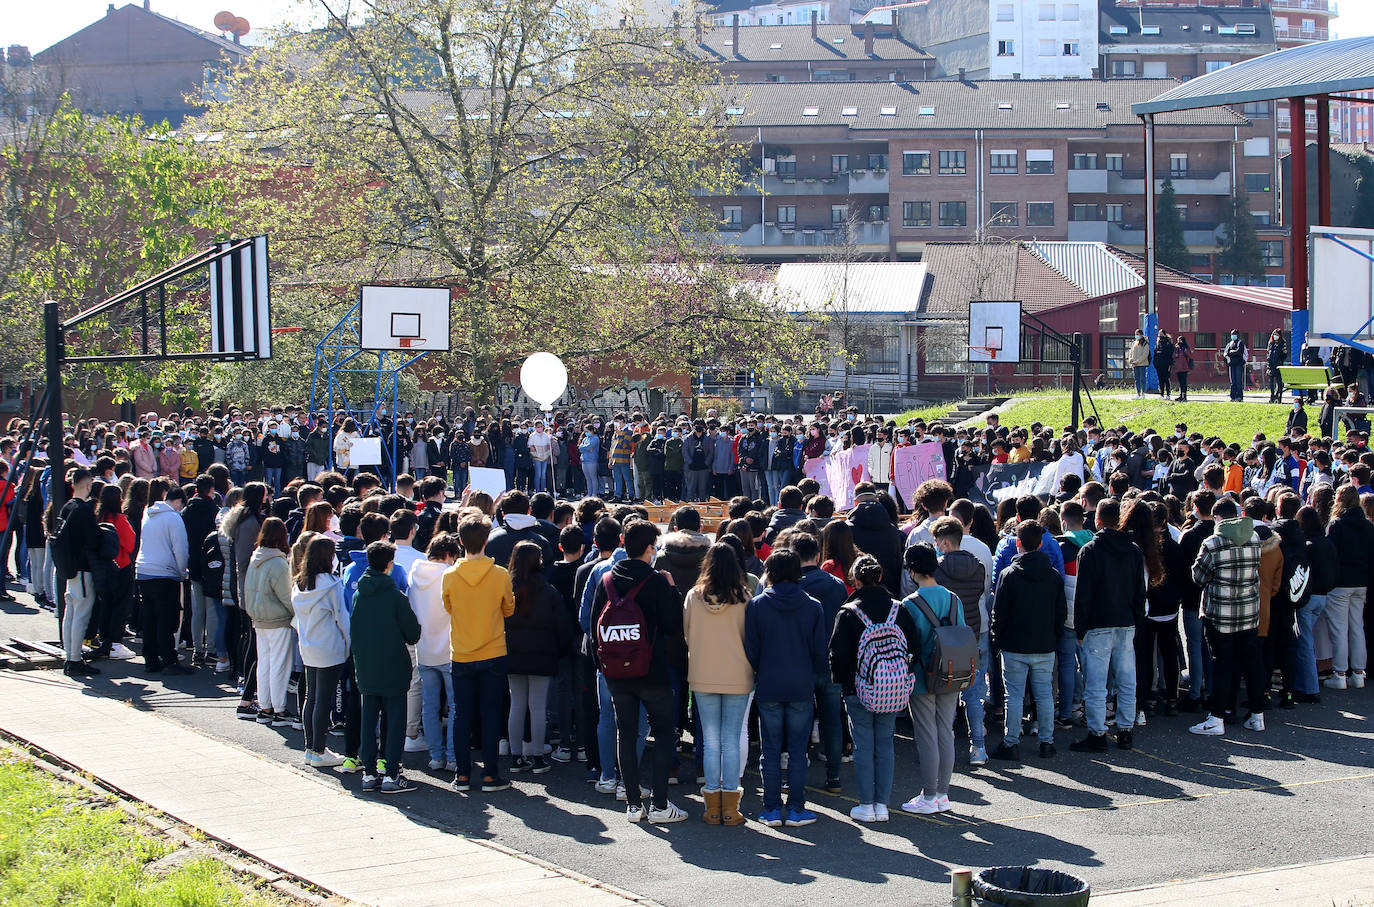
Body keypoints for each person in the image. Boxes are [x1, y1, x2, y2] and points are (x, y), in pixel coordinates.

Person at [588, 520, 688, 824]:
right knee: (662, 734)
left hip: (616, 670)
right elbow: (673, 627)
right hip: (651, 669)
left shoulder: (607, 579)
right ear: (649, 548)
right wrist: (672, 590)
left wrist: (603, 666)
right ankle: (660, 804)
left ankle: (633, 804)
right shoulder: (657, 581)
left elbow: (594, 629)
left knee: (626, 733)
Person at [829, 554, 917, 823]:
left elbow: (838, 655)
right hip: (894, 686)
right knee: (885, 744)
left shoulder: (849, 612)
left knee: (863, 746)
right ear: (880, 577)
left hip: (860, 688)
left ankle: (866, 804)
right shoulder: (898, 609)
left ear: (855, 579)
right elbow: (913, 646)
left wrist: (843, 684)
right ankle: (883, 804)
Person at [745, 549, 826, 828]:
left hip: (768, 682)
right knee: (797, 750)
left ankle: (770, 808)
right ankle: (795, 807)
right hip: (801, 683)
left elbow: (751, 649)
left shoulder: (756, 605)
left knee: (769, 749)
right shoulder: (813, 606)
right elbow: (819, 652)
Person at [444, 513, 516, 793]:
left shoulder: (450, 575)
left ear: (460, 541)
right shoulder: (499, 574)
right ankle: (490, 774)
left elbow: (448, 606)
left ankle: (462, 774)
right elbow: (509, 608)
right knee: (490, 713)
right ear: (487, 540)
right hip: (493, 650)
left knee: (461, 714)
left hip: (461, 651)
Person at [684, 542, 754, 826]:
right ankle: (730, 806)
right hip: (738, 673)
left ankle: (711, 805)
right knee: (730, 739)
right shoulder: (745, 597)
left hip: (703, 671)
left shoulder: (693, 596)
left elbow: (687, 633)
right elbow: (750, 637)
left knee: (711, 741)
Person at [1189, 498, 1269, 736]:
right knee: (1252, 663)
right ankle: (1257, 715)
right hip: (1248, 611)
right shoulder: (1254, 538)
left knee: (1222, 664)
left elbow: (1198, 577)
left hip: (1220, 614)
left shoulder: (1212, 544)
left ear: (1217, 519)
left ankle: (1217, 717)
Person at [1071, 499, 1145, 752]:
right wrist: (1137, 621)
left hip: (1098, 622)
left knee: (1096, 682)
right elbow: (1139, 591)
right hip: (1125, 621)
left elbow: (1084, 594)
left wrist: (1080, 628)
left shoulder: (1090, 551)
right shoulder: (1134, 550)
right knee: (1126, 679)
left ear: (1097, 519)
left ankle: (1097, 732)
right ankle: (1125, 729)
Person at [988, 521, 1066, 761]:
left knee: (1014, 694)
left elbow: (998, 612)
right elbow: (1060, 612)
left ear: (1018, 543)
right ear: (1041, 543)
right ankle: (1047, 741)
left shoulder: (1008, 575)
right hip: (1044, 643)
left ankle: (1011, 742)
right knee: (1044, 694)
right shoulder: (1053, 576)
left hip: (1014, 644)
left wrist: (997, 638)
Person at [350, 540, 422, 793]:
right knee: (395, 721)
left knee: (368, 720)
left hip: (366, 665)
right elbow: (413, 634)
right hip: (393, 666)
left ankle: (369, 773)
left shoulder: (359, 593)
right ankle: (391, 772)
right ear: (390, 565)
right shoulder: (396, 597)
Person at [900, 542, 964, 815]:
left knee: (926, 734)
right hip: (952, 671)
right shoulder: (953, 598)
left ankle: (929, 793)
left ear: (912, 571)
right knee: (945, 731)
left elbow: (907, 643)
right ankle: (943, 794)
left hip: (923, 674)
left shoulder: (909, 604)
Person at [505, 540, 576, 774]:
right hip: (543, 655)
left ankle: (515, 756)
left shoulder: (506, 589)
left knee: (516, 704)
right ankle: (537, 756)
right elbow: (562, 627)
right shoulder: (548, 592)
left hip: (512, 653)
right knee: (537, 707)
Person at [292, 535, 350, 768]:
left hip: (308, 645)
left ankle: (310, 748)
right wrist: (349, 645)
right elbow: (343, 619)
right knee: (324, 699)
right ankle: (318, 750)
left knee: (312, 697)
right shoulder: (332, 584)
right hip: (330, 647)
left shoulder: (299, 584)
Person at [409, 532, 460, 771]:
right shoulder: (451, 575)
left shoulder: (415, 573)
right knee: (455, 705)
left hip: (423, 648)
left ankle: (436, 756)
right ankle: (452, 757)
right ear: (450, 554)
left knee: (430, 706)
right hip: (450, 648)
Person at [243, 517, 295, 725]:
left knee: (264, 664)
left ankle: (265, 707)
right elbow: (286, 596)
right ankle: (279, 709)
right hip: (278, 619)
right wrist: (297, 616)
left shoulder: (255, 558)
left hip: (258, 618)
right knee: (279, 666)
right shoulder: (279, 563)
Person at [135, 484, 191, 676]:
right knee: (166, 619)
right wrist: (182, 572)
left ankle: (150, 658)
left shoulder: (148, 514)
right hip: (164, 573)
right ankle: (169, 659)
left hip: (143, 570)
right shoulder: (173, 518)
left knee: (149, 618)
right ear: (178, 502)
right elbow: (180, 549)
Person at [1322, 485, 1372, 690]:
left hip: (1341, 582)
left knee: (1339, 629)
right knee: (1357, 626)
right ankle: (1359, 673)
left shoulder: (1337, 524)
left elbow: (1331, 555)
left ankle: (1340, 673)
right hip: (1361, 581)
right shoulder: (1368, 525)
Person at [55, 467, 103, 677]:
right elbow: (93, 539)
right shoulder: (83, 510)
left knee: (71, 613)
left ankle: (70, 656)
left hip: (69, 568)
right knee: (81, 615)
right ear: (87, 485)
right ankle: (74, 659)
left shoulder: (67, 507)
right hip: (82, 568)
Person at [1223, 330, 1249, 403]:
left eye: (1234, 334)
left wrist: (1232, 352)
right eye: (1232, 334)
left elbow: (1239, 352)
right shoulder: (1230, 344)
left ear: (1238, 335)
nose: (1233, 336)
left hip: (1239, 364)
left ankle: (1239, 396)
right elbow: (1226, 352)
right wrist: (1229, 354)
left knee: (1238, 381)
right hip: (1231, 364)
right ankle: (1233, 396)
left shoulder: (1241, 343)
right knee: (1233, 381)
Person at [1128, 329, 1151, 398]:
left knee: (1142, 379)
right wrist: (1130, 359)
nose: (1136, 335)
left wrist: (1137, 361)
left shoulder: (1145, 343)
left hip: (1142, 364)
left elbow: (1145, 354)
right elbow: (1131, 352)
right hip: (1134, 365)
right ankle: (1138, 393)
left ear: (1141, 334)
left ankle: (1143, 393)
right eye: (1135, 334)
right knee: (1137, 379)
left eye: (1137, 334)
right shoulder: (1134, 343)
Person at [1267, 329, 1288, 403]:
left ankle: (1278, 396)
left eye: (1277, 335)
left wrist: (1279, 360)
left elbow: (1285, 354)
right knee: (1271, 383)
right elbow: (1268, 352)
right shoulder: (1271, 343)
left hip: (1278, 365)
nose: (1275, 336)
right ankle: (1272, 396)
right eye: (1274, 334)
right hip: (1271, 365)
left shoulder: (1282, 343)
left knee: (1279, 382)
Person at [1154, 330, 1176, 400]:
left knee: (1166, 378)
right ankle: (1161, 394)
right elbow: (1155, 353)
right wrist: (1155, 362)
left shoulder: (1168, 343)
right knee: (1160, 379)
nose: (1160, 336)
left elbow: (1170, 353)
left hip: (1166, 364)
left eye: (1161, 334)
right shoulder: (1158, 343)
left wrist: (1169, 363)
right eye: (1159, 334)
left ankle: (1168, 394)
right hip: (1159, 364)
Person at [1173, 336, 1194, 402]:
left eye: (1180, 340)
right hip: (1178, 367)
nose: (1179, 342)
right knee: (1180, 382)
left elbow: (1190, 356)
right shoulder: (1176, 348)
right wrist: (1175, 352)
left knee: (1184, 382)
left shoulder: (1185, 348)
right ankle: (1180, 395)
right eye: (1178, 340)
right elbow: (1173, 355)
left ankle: (1184, 396)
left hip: (1184, 367)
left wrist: (1185, 351)